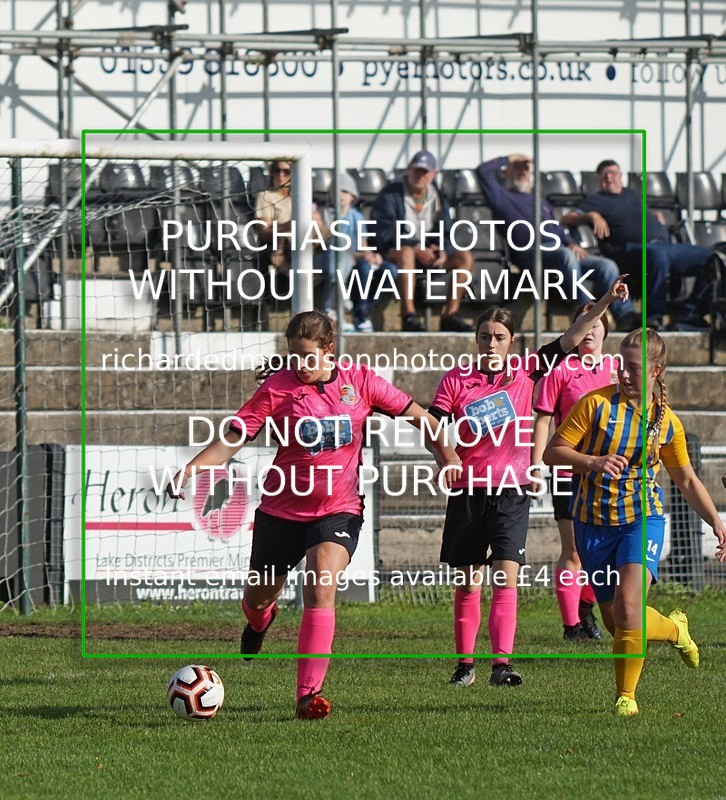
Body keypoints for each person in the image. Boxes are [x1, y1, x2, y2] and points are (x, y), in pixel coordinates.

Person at [166, 310, 461, 719]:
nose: (298, 365)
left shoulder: (360, 382)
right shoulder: (279, 387)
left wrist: (446, 455)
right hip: (281, 510)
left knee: (320, 586)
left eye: (306, 356)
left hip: (338, 510)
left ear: (328, 349)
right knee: (258, 597)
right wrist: (192, 468)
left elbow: (421, 417)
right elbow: (235, 436)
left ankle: (308, 695)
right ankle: (259, 621)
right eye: (292, 356)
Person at [428, 276, 631, 688]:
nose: (490, 343)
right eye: (484, 336)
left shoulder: (526, 370)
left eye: (499, 337)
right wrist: (446, 455)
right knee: (468, 582)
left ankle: (501, 665)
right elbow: (433, 424)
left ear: (512, 341)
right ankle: (464, 666)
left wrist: (606, 300)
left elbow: (571, 337)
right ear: (476, 339)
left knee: (506, 574)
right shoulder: (456, 380)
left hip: (512, 490)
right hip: (468, 489)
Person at [543, 328, 726, 717]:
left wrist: (717, 522)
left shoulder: (667, 423)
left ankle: (625, 696)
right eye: (621, 365)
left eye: (633, 367)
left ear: (657, 370)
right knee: (617, 622)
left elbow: (688, 480)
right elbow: (552, 452)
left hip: (641, 519)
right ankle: (676, 629)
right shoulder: (595, 406)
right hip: (592, 522)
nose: (623, 374)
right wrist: (592, 462)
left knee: (629, 608)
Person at [531, 303, 621, 642]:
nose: (591, 328)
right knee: (573, 550)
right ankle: (572, 627)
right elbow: (542, 419)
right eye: (584, 322)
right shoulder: (561, 370)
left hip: (610, 475)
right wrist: (536, 464)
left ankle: (585, 606)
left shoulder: (617, 369)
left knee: (603, 553)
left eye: (597, 322)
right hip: (569, 473)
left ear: (605, 330)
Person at [476, 154, 641, 332]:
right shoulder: (501, 197)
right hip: (529, 253)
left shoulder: (541, 201)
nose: (523, 172)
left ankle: (625, 315)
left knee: (606, 266)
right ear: (506, 173)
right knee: (566, 256)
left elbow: (556, 228)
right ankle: (585, 313)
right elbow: (482, 171)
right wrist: (510, 158)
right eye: (517, 168)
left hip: (558, 251)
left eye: (526, 168)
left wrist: (571, 243)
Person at [561, 160, 712, 331]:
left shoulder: (631, 194)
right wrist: (592, 215)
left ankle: (692, 314)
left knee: (714, 257)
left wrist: (652, 215)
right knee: (656, 256)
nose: (610, 178)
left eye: (614, 173)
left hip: (666, 245)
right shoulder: (595, 200)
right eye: (605, 175)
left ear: (621, 176)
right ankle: (654, 318)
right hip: (631, 251)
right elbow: (566, 218)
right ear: (597, 180)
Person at [372, 150, 475, 332]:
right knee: (406, 252)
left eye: (425, 171)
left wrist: (442, 250)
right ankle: (408, 315)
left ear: (433, 174)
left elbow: (448, 230)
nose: (420, 175)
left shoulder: (437, 196)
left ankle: (450, 315)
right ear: (409, 169)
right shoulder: (390, 194)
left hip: (427, 257)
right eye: (417, 170)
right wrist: (416, 247)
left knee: (464, 257)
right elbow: (384, 232)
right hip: (395, 253)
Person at [318, 173, 398, 332]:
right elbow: (332, 247)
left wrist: (373, 256)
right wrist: (360, 256)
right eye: (337, 191)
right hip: (337, 260)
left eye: (345, 191)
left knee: (390, 270)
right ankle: (360, 313)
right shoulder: (326, 215)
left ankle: (365, 309)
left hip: (356, 259)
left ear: (353, 196)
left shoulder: (357, 217)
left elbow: (363, 245)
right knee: (363, 268)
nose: (340, 195)